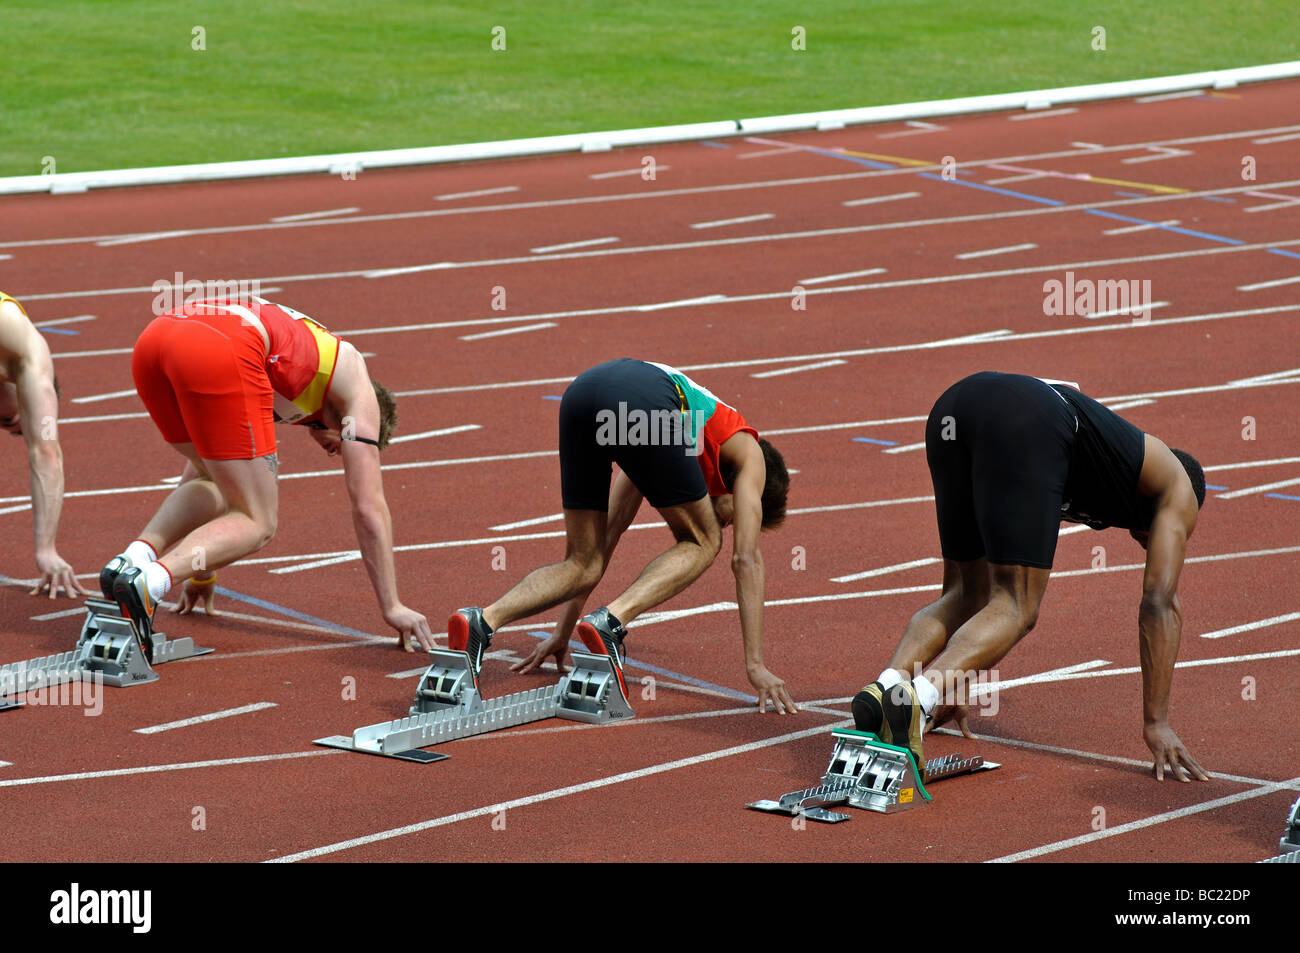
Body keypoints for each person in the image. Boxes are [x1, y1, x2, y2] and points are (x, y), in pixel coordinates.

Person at [853, 371, 1210, 782]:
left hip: (955, 409)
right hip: (1021, 419)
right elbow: (1159, 604)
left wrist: (960, 671)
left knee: (965, 594)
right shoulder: (1177, 488)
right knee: (1018, 605)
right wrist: (1156, 723)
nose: (1162, 543)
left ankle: (888, 687)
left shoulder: (1114, 461)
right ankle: (918, 699)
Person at [448, 358, 797, 713]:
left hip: (582, 395)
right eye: (735, 518)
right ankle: (612, 622)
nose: (728, 523)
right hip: (643, 396)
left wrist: (563, 632)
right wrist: (755, 666)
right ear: (745, 493)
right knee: (704, 541)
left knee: (585, 560)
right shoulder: (748, 454)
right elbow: (746, 559)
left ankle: (482, 621)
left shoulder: (687, 431)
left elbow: (611, 532)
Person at [101, 295, 433, 656]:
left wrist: (200, 570)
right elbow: (369, 508)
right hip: (222, 346)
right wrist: (392, 606)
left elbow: (205, 476)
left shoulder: (291, 376)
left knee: (210, 479)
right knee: (258, 522)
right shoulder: (360, 394)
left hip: (160, 337)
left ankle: (131, 561)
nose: (333, 453)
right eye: (339, 449)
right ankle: (147, 583)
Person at [0, 291, 89, 599]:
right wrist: (46, 548)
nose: (3, 415)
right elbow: (45, 452)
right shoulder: (31, 358)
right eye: (10, 419)